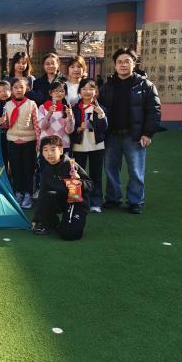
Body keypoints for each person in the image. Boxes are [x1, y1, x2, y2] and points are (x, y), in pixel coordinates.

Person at [100, 48, 161, 214]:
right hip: (111, 135)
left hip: (134, 135)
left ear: (134, 63)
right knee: (111, 169)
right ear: (115, 65)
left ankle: (135, 201)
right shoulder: (107, 86)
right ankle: (113, 198)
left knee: (135, 170)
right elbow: (100, 108)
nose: (123, 65)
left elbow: (154, 111)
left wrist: (147, 133)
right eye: (119, 62)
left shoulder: (145, 85)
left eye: (127, 61)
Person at [32, 135, 92, 240]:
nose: (49, 153)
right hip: (61, 200)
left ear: (61, 150)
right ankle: (52, 223)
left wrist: (79, 182)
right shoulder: (46, 171)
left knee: (70, 235)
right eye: (45, 150)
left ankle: (66, 224)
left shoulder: (71, 165)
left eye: (53, 149)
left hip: (76, 202)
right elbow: (42, 195)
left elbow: (90, 185)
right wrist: (36, 219)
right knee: (47, 195)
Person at [0, 77, 39, 210]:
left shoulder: (32, 104)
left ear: (27, 88)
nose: (18, 90)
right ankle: (18, 193)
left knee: (28, 169)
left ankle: (28, 194)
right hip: (12, 141)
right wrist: (2, 122)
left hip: (29, 141)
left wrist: (38, 141)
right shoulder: (7, 105)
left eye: (21, 87)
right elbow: (6, 125)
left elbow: (36, 124)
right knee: (15, 169)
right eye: (15, 87)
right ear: (11, 90)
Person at [71, 78, 108, 213]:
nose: (87, 92)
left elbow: (104, 128)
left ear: (96, 91)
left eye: (91, 89)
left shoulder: (100, 108)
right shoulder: (74, 108)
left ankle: (96, 202)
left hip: (96, 146)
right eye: (84, 89)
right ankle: (77, 201)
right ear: (79, 91)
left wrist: (101, 114)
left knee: (96, 175)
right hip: (79, 146)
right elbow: (69, 129)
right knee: (77, 174)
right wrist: (78, 128)